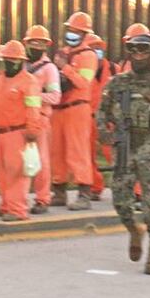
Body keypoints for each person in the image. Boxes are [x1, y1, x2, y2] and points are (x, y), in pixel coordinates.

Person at [96, 33, 150, 275]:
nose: (137, 55)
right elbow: (101, 110)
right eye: (133, 51)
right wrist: (103, 130)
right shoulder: (117, 82)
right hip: (124, 145)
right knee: (120, 200)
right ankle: (135, 230)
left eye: (143, 50)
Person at [49, 11, 98, 210]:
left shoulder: (88, 56)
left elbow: (83, 82)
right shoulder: (63, 53)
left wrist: (65, 68)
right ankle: (59, 191)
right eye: (70, 30)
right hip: (59, 108)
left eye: (76, 31)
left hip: (78, 108)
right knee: (57, 150)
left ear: (85, 34)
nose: (72, 33)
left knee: (78, 150)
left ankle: (84, 192)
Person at [0, 41, 42, 221]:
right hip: (1, 132)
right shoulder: (0, 79)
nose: (9, 63)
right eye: (7, 59)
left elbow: (33, 108)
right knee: (2, 172)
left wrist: (32, 129)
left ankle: (17, 209)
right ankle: (6, 205)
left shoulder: (29, 82)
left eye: (13, 60)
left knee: (16, 172)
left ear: (21, 62)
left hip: (18, 133)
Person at [20, 24, 60, 216]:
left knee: (41, 161)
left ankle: (42, 199)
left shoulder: (49, 69)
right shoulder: (21, 65)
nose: (36, 46)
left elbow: (55, 96)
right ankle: (16, 200)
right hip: (20, 119)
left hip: (40, 119)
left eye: (40, 43)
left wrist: (33, 97)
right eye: (32, 43)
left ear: (46, 46)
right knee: (18, 161)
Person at [87, 34, 116, 201]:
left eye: (99, 49)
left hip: (108, 119)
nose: (96, 52)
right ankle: (95, 187)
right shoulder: (82, 68)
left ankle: (128, 187)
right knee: (87, 154)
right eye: (92, 48)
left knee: (114, 153)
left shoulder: (113, 69)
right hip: (87, 117)